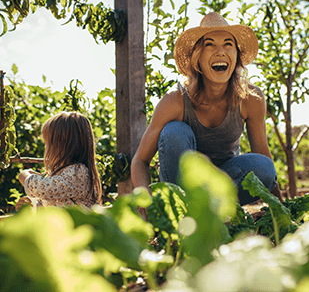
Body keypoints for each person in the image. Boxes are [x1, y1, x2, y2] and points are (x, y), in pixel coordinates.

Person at [131, 12, 283, 207]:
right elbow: (139, 161)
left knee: (264, 167)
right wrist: (145, 199)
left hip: (227, 183)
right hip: (182, 188)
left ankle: (214, 210)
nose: (220, 52)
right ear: (197, 57)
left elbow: (262, 152)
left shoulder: (250, 98)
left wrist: (282, 209)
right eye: (210, 44)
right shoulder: (175, 101)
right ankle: (183, 212)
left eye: (228, 44)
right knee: (174, 132)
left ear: (236, 56)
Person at [16, 111, 102, 211]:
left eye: (48, 143)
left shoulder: (78, 172)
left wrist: (25, 176)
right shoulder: (62, 174)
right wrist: (32, 206)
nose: (46, 148)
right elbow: (55, 204)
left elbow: (42, 188)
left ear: (63, 145)